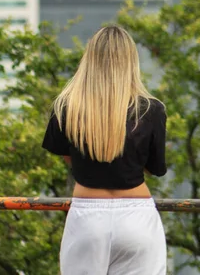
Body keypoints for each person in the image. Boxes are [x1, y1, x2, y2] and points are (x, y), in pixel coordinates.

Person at [42, 25, 167, 275]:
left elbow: (68, 157)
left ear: (89, 59)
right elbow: (155, 168)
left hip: (87, 218)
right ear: (130, 61)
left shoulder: (66, 107)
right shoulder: (151, 110)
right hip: (137, 218)